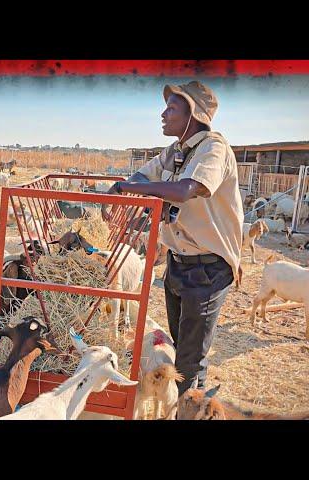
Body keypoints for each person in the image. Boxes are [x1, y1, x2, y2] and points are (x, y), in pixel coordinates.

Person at [102, 81, 243, 396]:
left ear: (192, 114)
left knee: (190, 363)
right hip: (178, 264)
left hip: (208, 268)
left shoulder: (213, 148)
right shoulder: (175, 152)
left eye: (172, 108)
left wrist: (127, 190)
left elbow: (186, 190)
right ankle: (189, 403)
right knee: (183, 350)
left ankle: (190, 408)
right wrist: (125, 189)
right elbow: (142, 176)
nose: (163, 114)